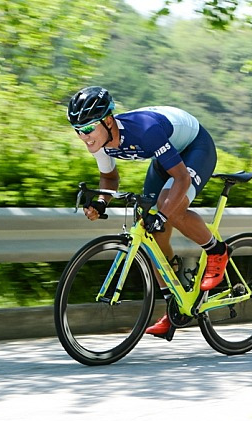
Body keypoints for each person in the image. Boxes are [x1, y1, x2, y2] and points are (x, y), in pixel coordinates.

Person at [67, 86, 229, 339]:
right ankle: (176, 303)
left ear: (108, 121)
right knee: (150, 229)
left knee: (170, 209)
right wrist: (101, 203)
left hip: (196, 147)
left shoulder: (144, 130)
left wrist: (164, 214)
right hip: (165, 154)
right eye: (78, 130)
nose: (84, 136)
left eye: (88, 128)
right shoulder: (100, 142)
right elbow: (109, 178)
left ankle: (217, 251)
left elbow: (182, 180)